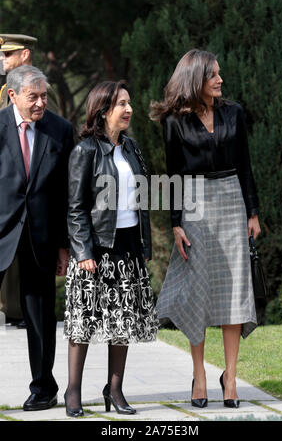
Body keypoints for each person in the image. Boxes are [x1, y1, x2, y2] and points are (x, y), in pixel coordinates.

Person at [150, 49, 261, 409]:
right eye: (213, 74)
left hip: (231, 199)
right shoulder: (174, 122)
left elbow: (245, 164)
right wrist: (176, 224)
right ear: (196, 78)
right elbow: (172, 176)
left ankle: (230, 377)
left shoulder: (234, 113)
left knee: (233, 288)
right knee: (197, 287)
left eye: (219, 74)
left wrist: (253, 213)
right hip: (194, 204)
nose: (220, 80)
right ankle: (199, 375)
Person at [64, 80, 158, 417]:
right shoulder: (85, 151)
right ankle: (72, 392)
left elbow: (143, 198)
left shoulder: (131, 148)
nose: (128, 109)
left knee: (124, 323)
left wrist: (143, 242)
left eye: (129, 102)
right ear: (104, 110)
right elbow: (75, 208)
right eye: (121, 104)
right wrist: (83, 251)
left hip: (128, 248)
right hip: (95, 250)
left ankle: (114, 390)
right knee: (83, 322)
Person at [0, 65, 74, 410]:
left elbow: (67, 194)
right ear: (13, 95)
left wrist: (64, 244)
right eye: (34, 96)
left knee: (41, 314)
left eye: (45, 96)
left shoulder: (61, 131)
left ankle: (44, 388)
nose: (42, 103)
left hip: (42, 237)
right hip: (1, 231)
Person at [0, 34, 60, 327]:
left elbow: (52, 146)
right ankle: (12, 308)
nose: (3, 60)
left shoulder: (45, 95)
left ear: (24, 55)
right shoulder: (5, 91)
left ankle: (20, 311)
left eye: (8, 55)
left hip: (37, 203)